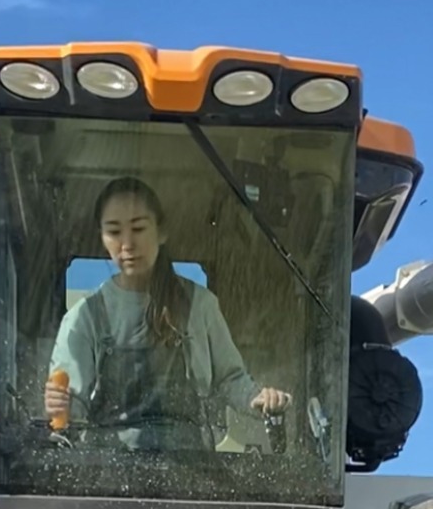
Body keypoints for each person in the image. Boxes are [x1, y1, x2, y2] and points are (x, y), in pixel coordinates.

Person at [43, 176, 290, 450]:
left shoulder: (200, 305)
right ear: (102, 237)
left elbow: (230, 379)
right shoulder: (85, 317)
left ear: (161, 232)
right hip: (108, 468)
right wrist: (61, 408)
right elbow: (69, 410)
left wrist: (258, 399)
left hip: (191, 469)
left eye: (138, 228)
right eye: (114, 231)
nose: (127, 243)